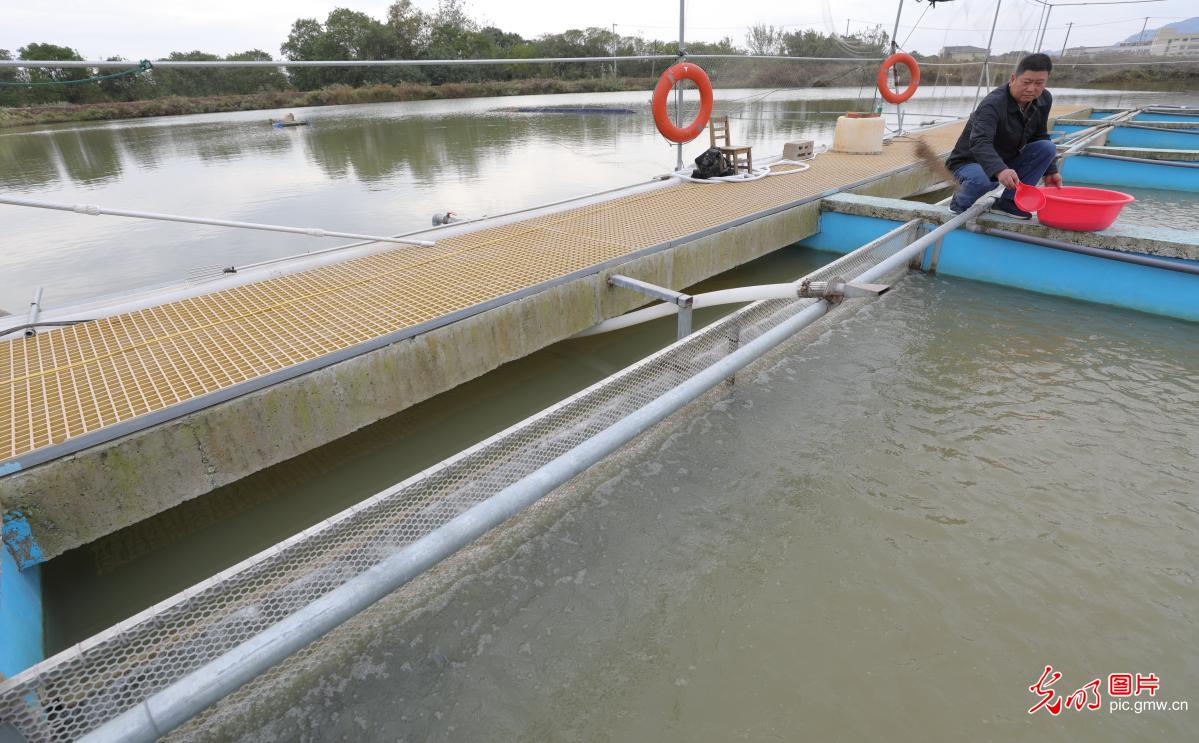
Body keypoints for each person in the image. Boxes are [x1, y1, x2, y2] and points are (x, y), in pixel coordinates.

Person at [947, 53, 1063, 219]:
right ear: (1013, 78)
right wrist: (1000, 170)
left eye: (1039, 83)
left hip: (1005, 160)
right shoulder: (993, 103)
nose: (1032, 89)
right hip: (969, 162)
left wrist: (1050, 171)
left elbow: (1039, 135)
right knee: (983, 180)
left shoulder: (1044, 98)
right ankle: (958, 206)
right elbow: (980, 142)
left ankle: (1009, 203)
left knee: (1047, 147)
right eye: (1027, 82)